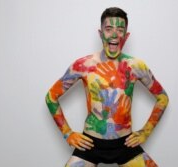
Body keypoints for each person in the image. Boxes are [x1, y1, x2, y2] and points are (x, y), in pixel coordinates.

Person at [45, 7, 169, 167]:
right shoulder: (83, 65)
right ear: (100, 33)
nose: (114, 34)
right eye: (109, 29)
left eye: (120, 29)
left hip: (125, 144)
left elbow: (162, 98)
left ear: (126, 36)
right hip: (90, 145)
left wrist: (145, 132)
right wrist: (67, 134)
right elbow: (51, 97)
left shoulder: (136, 66)